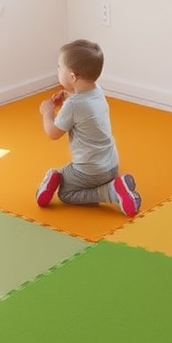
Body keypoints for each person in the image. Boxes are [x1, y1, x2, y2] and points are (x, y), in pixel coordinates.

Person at [36, 38, 140, 215]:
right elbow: (84, 109)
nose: (58, 70)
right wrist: (69, 95)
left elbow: (53, 133)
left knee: (66, 193)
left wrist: (47, 113)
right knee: (74, 175)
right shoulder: (97, 90)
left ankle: (111, 192)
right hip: (112, 165)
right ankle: (115, 184)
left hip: (88, 171)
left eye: (59, 67)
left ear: (72, 76)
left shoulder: (73, 106)